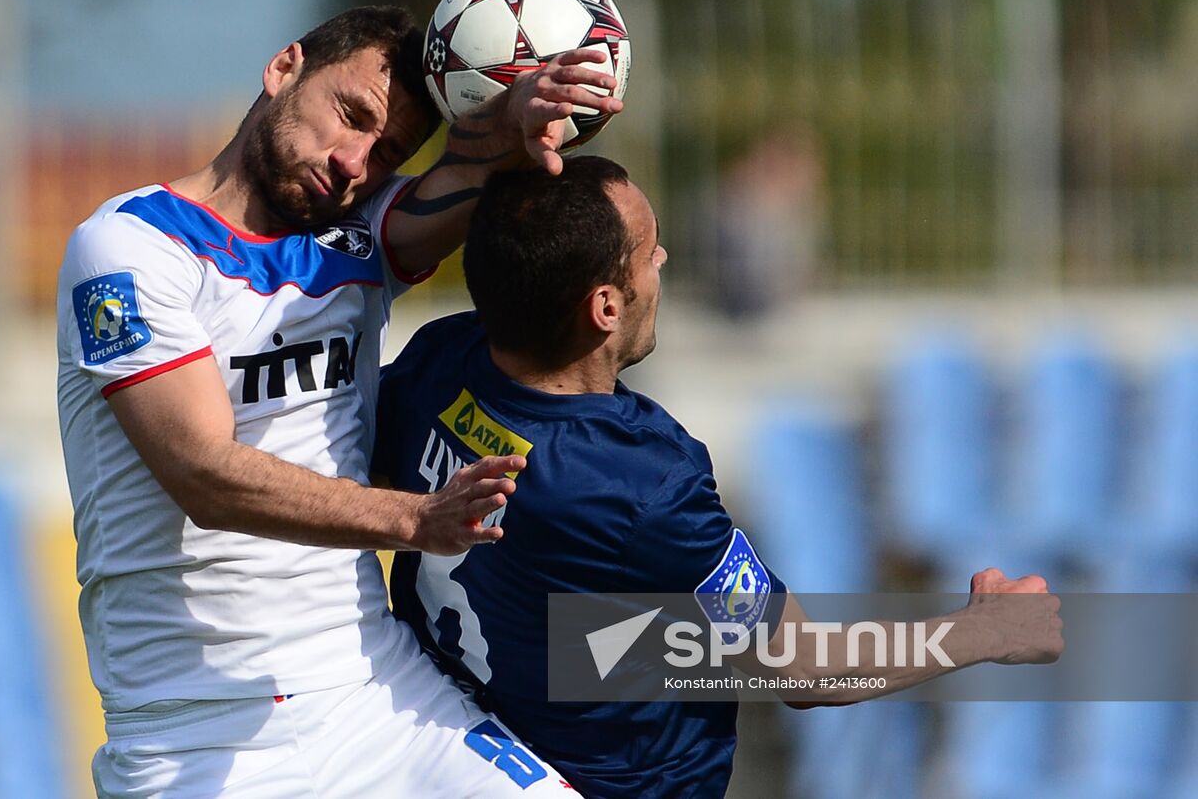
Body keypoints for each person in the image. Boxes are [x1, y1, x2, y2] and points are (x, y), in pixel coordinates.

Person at [56, 5, 622, 797]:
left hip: (375, 694)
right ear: (284, 68)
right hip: (194, 734)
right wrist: (415, 521)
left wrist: (517, 134)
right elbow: (204, 476)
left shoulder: (358, 239)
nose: (355, 160)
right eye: (351, 116)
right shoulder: (128, 247)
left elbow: (477, 180)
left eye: (386, 152)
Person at [373, 156, 1064, 798]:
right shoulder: (640, 482)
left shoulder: (440, 358)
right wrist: (987, 632)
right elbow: (802, 669)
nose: (663, 262)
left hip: (453, 746)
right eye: (650, 252)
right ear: (606, 307)